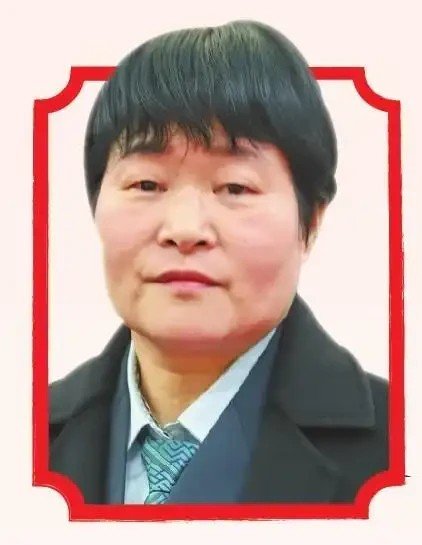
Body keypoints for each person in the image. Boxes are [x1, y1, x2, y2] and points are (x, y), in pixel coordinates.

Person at [49, 20, 388, 505]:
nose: (185, 229)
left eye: (235, 187)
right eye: (146, 184)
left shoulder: (407, 449)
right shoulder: (26, 434)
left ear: (310, 220)